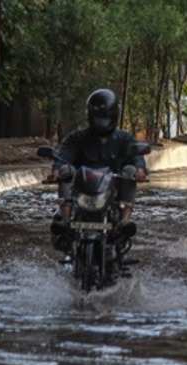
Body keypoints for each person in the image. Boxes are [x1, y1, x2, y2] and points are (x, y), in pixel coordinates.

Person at [50, 89, 147, 251]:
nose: (101, 123)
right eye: (98, 119)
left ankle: (124, 221)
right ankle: (66, 221)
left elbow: (136, 155)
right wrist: (58, 169)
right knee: (65, 171)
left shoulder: (125, 139)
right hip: (82, 190)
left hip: (112, 192)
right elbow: (64, 154)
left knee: (130, 170)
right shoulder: (77, 138)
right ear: (90, 116)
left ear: (114, 116)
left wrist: (140, 169)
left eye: (105, 119)